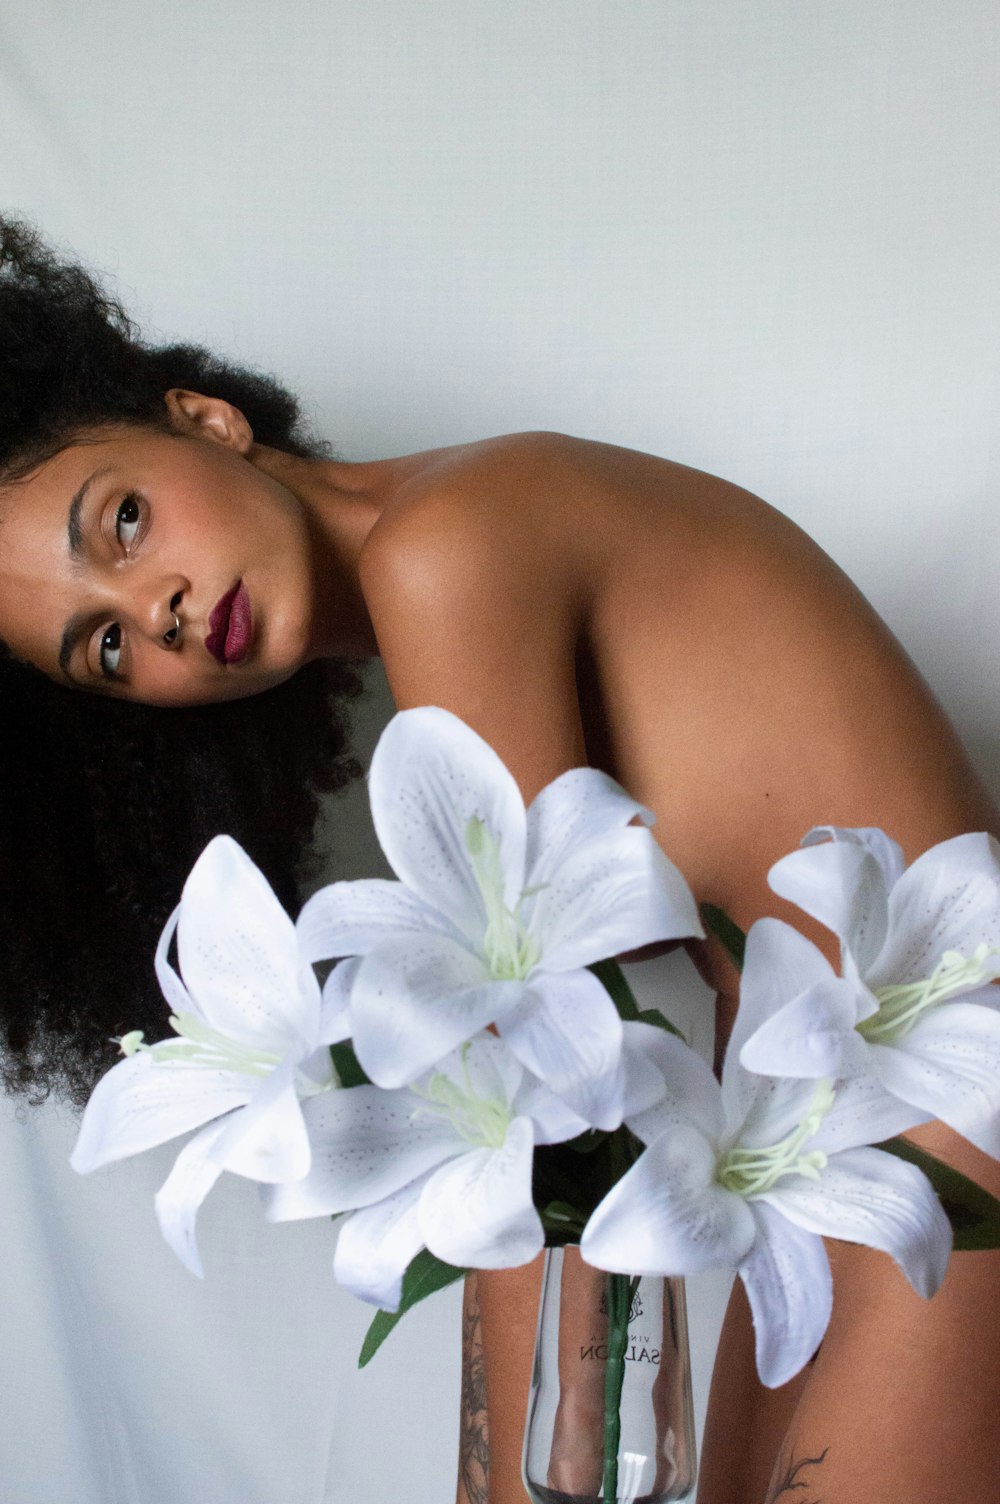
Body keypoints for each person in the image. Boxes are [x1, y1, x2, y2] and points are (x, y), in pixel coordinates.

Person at [1, 216, 998, 1504]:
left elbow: (543, 1107)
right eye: (109, 651)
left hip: (942, 1101)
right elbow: (605, 1079)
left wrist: (518, 1483)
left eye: (121, 524)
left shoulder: (447, 547)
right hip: (833, 1150)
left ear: (203, 418)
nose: (160, 612)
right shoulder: (457, 551)